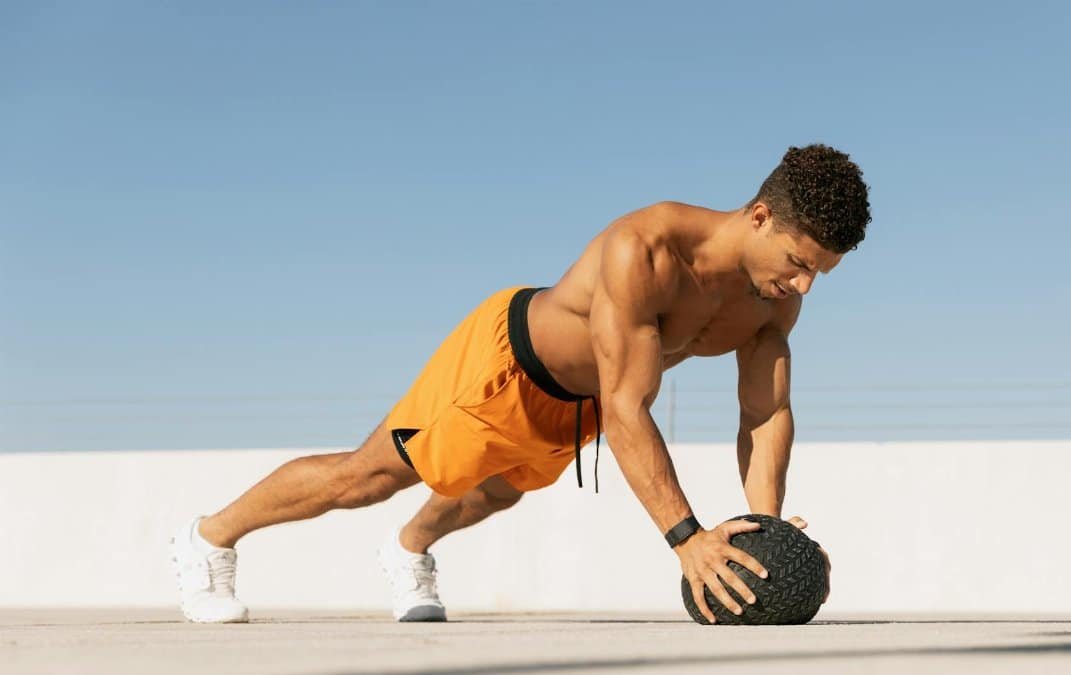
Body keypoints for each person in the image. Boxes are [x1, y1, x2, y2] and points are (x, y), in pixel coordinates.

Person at [170, 144, 870, 624]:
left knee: (495, 492)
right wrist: (687, 538)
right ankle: (208, 538)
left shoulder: (773, 299)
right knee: (368, 478)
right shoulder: (647, 249)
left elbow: (764, 413)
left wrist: (767, 530)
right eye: (797, 261)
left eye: (818, 273)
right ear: (759, 216)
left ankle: (408, 548)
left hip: (581, 402)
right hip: (507, 364)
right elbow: (629, 406)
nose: (804, 285)